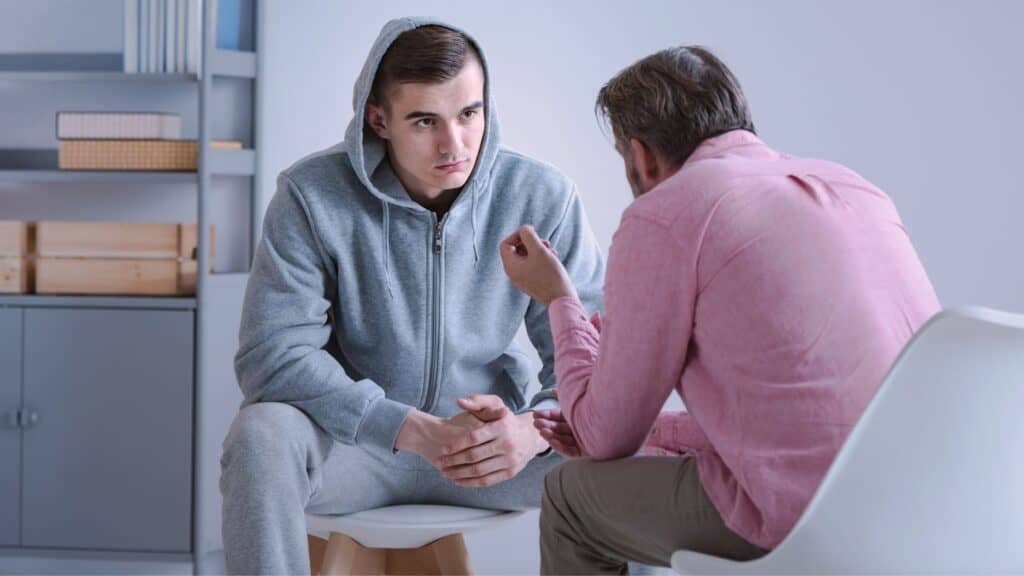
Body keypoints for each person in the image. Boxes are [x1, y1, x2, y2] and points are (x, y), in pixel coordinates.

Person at [498, 45, 940, 574]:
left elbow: (603, 438)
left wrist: (559, 299)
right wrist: (659, 432)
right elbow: (809, 415)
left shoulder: (666, 214)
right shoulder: (858, 190)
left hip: (811, 523)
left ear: (640, 157)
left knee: (570, 497)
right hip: (930, 507)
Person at [220, 17, 605, 574]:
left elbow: (598, 362)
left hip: (492, 453)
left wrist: (532, 431)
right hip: (356, 449)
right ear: (379, 119)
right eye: (426, 121)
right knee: (259, 438)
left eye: (470, 114)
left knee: (631, 450)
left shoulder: (541, 195)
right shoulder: (311, 196)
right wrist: (411, 429)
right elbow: (270, 358)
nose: (456, 144)